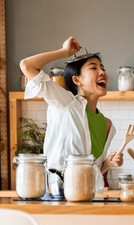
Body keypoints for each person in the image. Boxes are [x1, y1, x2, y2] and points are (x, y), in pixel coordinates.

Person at [19, 36, 123, 194]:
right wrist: (64, 52)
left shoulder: (107, 124)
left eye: (102, 68)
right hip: (58, 193)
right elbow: (27, 65)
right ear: (77, 79)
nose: (102, 72)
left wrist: (107, 164)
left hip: (89, 193)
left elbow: (90, 173)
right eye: (93, 68)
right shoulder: (65, 102)